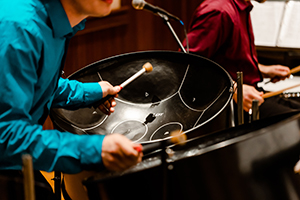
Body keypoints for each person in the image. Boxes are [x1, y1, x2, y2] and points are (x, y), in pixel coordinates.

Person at [0, 0, 143, 198]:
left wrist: (92, 91)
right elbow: (5, 135)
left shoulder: (50, 22)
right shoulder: (19, 27)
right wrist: (95, 149)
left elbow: (35, 83)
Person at [182, 0, 300, 122]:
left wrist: (263, 70)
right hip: (227, 106)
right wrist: (233, 88)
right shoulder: (219, 11)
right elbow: (186, 65)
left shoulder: (241, 8)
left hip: (251, 92)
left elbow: (229, 61)